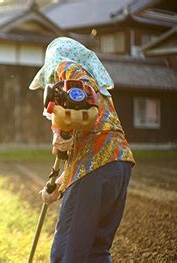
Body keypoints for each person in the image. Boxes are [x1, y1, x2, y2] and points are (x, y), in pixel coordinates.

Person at [29, 37, 135, 262]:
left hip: (93, 168)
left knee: (66, 253)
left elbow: (77, 100)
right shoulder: (102, 93)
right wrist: (57, 186)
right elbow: (85, 135)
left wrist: (59, 130)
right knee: (96, 251)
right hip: (120, 164)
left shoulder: (66, 67)